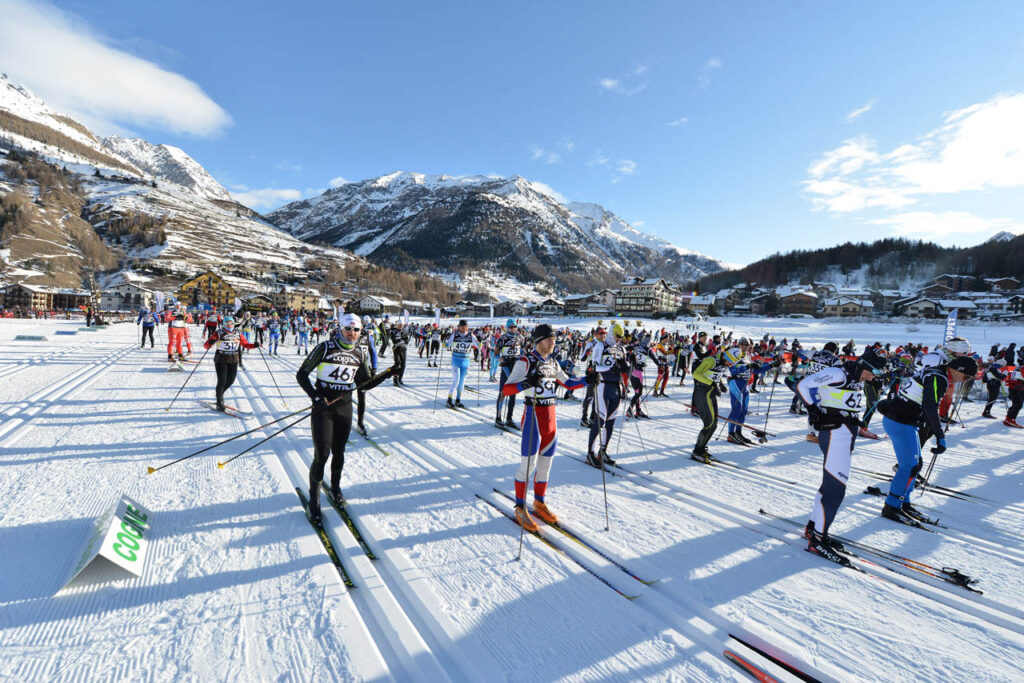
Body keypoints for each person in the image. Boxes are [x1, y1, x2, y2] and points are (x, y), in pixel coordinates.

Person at [295, 313, 393, 523]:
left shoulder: (359, 353)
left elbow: (365, 384)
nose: (352, 333)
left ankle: (336, 488)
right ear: (341, 329)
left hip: (344, 408)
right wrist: (315, 396)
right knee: (322, 454)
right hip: (324, 408)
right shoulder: (326, 348)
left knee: (339, 451)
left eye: (356, 330)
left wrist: (388, 373)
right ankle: (314, 501)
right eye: (348, 329)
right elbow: (301, 374)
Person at [796, 349, 886, 565]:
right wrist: (813, 410)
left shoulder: (854, 376)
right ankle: (818, 539)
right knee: (836, 488)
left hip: (845, 432)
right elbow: (803, 385)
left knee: (829, 485)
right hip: (835, 431)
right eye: (871, 372)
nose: (872, 377)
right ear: (863, 364)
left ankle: (814, 528)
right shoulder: (839, 373)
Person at [501, 324, 587, 531]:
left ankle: (539, 501)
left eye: (554, 339)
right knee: (528, 465)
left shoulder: (553, 362)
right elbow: (506, 390)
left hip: (551, 419)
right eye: (549, 339)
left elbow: (567, 383)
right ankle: (520, 506)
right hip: (533, 417)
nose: (553, 342)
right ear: (539, 340)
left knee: (546, 466)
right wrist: (525, 384)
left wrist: (588, 380)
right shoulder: (525, 361)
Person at [876, 356, 977, 523]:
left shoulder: (937, 372)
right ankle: (891, 506)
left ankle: (904, 502)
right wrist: (940, 435)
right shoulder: (939, 377)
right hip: (900, 421)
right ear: (958, 369)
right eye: (966, 377)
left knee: (916, 465)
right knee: (909, 467)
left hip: (904, 419)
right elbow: (930, 407)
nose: (965, 381)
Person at [585, 323, 629, 468]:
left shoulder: (621, 348)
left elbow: (624, 368)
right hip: (603, 385)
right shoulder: (600, 346)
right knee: (600, 420)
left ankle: (602, 451)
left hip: (616, 387)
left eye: (621, 337)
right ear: (611, 333)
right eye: (617, 336)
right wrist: (611, 368)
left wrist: (627, 366)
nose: (618, 339)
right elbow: (593, 367)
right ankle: (590, 454)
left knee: (611, 421)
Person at [203, 316, 259, 411]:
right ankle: (219, 402)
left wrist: (254, 345)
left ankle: (219, 394)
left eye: (231, 323)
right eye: (227, 323)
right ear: (224, 324)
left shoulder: (238, 333)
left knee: (231, 381)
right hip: (221, 359)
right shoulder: (219, 333)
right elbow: (206, 346)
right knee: (222, 381)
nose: (230, 325)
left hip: (233, 360)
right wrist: (211, 342)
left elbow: (245, 344)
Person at [690, 347, 729, 462]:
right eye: (729, 362)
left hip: (710, 394)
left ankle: (702, 448)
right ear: (725, 357)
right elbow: (696, 374)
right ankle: (697, 451)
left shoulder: (723, 363)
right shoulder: (711, 360)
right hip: (702, 393)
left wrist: (720, 383)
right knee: (709, 423)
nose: (730, 365)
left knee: (714, 424)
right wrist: (712, 383)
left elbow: (716, 374)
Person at [495, 320, 524, 429]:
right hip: (506, 367)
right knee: (503, 392)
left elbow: (522, 351)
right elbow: (495, 354)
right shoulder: (502, 338)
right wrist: (500, 358)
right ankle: (498, 418)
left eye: (514, 327)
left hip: (516, 368)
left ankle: (509, 418)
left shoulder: (520, 337)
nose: (513, 329)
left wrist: (522, 357)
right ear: (507, 328)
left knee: (513, 393)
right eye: (511, 327)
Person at [446, 319, 479, 408]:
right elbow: (448, 344)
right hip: (456, 360)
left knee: (462, 382)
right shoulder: (455, 334)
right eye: (462, 326)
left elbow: (477, 344)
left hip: (466, 361)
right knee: (456, 380)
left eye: (465, 326)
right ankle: (449, 399)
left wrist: (482, 345)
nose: (464, 328)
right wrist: (445, 344)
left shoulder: (470, 335)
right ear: (459, 326)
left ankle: (458, 400)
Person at [355, 316, 380, 436]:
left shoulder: (368, 336)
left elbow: (373, 352)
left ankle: (360, 423)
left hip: (363, 368)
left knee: (362, 395)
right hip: (349, 369)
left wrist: (374, 367)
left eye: (359, 326)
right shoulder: (347, 334)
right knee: (343, 395)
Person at [389, 321, 410, 385]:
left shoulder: (404, 331)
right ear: (397, 325)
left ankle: (400, 379)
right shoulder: (393, 331)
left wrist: (405, 340)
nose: (401, 326)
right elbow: (393, 340)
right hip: (396, 348)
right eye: (399, 325)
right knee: (397, 364)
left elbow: (406, 340)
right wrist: (399, 340)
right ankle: (395, 379)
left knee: (403, 364)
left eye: (402, 325)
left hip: (403, 349)